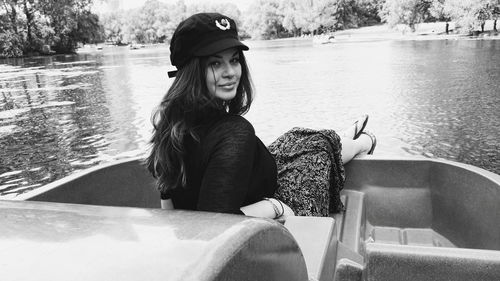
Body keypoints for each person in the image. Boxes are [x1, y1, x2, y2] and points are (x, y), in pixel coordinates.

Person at [146, 13, 376, 220]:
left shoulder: (169, 123)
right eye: (215, 63)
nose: (231, 73)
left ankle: (350, 138)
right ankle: (363, 142)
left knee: (299, 138)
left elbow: (168, 201)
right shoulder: (235, 132)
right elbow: (216, 224)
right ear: (191, 71)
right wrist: (275, 207)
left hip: (257, 174)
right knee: (318, 149)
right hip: (281, 198)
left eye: (234, 60)